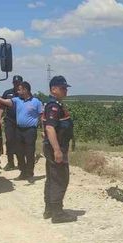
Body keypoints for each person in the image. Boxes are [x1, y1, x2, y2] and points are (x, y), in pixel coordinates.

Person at [42, 76, 77, 224]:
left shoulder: (55, 105)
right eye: (62, 88)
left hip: (54, 146)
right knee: (60, 178)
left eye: (66, 88)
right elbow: (50, 127)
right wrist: (57, 150)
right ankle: (57, 213)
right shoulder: (54, 106)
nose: (65, 90)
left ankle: (49, 208)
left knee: (52, 177)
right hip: (56, 147)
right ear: (53, 89)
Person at [0, 81, 43, 182]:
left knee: (29, 152)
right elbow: (5, 102)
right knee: (19, 152)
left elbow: (42, 116)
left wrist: (43, 129)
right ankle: (23, 171)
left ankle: (29, 173)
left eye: (20, 89)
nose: (18, 91)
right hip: (19, 130)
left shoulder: (36, 102)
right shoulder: (17, 100)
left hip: (30, 130)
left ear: (25, 90)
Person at [0, 75, 23, 171]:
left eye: (18, 83)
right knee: (9, 141)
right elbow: (1, 107)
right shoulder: (7, 93)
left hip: (20, 121)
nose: (16, 85)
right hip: (9, 120)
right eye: (15, 83)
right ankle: (10, 163)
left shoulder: (24, 94)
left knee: (19, 142)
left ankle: (21, 163)